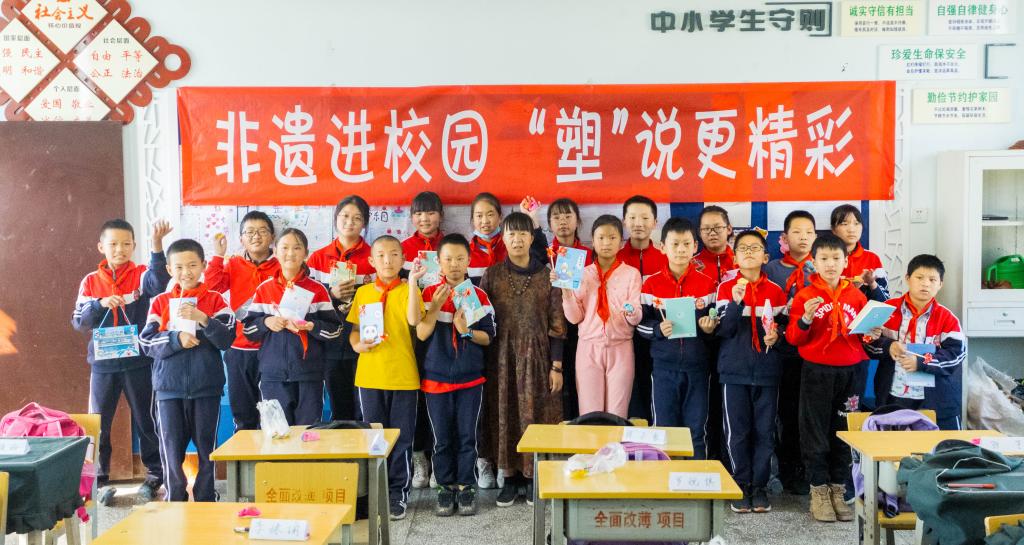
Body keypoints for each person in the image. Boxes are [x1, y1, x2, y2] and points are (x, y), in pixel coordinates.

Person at [71, 218, 171, 504]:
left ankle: (154, 476)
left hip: (139, 362)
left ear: (134, 246)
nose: (120, 249)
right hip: (103, 365)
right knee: (98, 422)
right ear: (101, 246)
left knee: (147, 420)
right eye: (113, 244)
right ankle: (98, 481)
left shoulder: (141, 274)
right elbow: (79, 322)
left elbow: (160, 285)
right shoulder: (90, 281)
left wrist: (157, 246)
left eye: (126, 244)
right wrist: (99, 304)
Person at [481, 212, 566, 507]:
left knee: (536, 414)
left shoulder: (547, 276)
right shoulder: (491, 275)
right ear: (503, 239)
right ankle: (510, 477)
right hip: (501, 359)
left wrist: (557, 366)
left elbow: (558, 325)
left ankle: (533, 477)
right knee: (504, 414)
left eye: (522, 233)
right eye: (511, 234)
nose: (517, 239)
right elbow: (482, 319)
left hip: (538, 358)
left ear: (532, 238)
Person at [787, 233, 873, 523]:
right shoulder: (805, 296)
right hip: (817, 372)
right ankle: (819, 491)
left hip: (851, 372)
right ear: (814, 262)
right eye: (824, 258)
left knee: (843, 431)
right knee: (815, 432)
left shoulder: (856, 296)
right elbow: (793, 338)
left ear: (846, 262)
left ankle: (838, 489)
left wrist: (872, 332)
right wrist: (806, 319)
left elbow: (863, 335)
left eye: (836, 258)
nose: (831, 264)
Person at [140, 238, 234, 502]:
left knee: (207, 448)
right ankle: (175, 497)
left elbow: (227, 338)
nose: (186, 272)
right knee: (171, 449)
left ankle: (205, 496)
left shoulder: (216, 300)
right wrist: (175, 338)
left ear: (203, 265)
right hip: (168, 389)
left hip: (206, 387)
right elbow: (146, 342)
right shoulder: (160, 302)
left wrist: (203, 319)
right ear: (169, 269)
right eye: (179, 267)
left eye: (192, 265)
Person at [416, 234, 496, 516]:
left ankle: (466, 486)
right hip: (435, 378)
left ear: (469, 261)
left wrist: (466, 331)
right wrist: (435, 308)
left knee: (467, 435)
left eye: (460, 258)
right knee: (441, 438)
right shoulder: (428, 293)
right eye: (448, 259)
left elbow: (489, 337)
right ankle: (444, 486)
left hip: (470, 378)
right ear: (438, 262)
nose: (454, 264)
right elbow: (421, 334)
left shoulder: (478, 296)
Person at [347, 235, 424, 520]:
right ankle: (373, 492)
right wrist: (357, 346)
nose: (387, 260)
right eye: (380, 255)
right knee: (373, 438)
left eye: (394, 254)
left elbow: (415, 320)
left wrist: (413, 283)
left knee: (402, 438)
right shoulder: (364, 292)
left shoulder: (409, 290)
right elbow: (354, 331)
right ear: (371, 260)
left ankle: (397, 493)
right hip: (369, 376)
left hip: (403, 376)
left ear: (403, 259)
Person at [714, 230, 788, 514]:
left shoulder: (777, 291)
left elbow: (785, 331)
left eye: (754, 248)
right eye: (742, 248)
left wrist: (777, 336)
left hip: (768, 372)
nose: (748, 252)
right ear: (734, 257)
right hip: (734, 372)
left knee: (765, 432)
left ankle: (759, 487)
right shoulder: (726, 288)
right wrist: (736, 302)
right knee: (737, 433)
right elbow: (724, 330)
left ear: (765, 257)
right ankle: (740, 484)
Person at [637, 217, 717, 458]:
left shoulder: (708, 285)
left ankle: (698, 479)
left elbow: (717, 326)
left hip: (698, 369)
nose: (681, 250)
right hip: (663, 370)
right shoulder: (650, 285)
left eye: (686, 244)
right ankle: (664, 480)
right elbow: (639, 325)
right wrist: (658, 330)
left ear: (695, 247)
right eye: (675, 244)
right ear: (663, 247)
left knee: (697, 431)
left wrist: (709, 329)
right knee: (663, 431)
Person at [245, 228, 342, 426]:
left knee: (307, 431)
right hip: (273, 376)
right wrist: (266, 322)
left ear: (306, 253)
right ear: (275, 251)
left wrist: (312, 326)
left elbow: (335, 330)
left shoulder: (317, 289)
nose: (290, 253)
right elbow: (248, 331)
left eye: (297, 248)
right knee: (277, 433)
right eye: (285, 247)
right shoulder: (264, 289)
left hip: (309, 374)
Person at [868, 255, 965, 430]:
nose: (925, 284)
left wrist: (922, 362)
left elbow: (955, 356)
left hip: (936, 400)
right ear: (908, 278)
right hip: (893, 396)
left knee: (939, 445)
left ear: (940, 284)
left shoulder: (947, 318)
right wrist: (888, 346)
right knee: (893, 445)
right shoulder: (886, 309)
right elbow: (867, 343)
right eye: (919, 277)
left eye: (932, 279)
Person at [205, 210, 280, 431]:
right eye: (250, 232)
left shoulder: (282, 266)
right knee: (244, 415)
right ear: (241, 239)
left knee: (274, 416)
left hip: (273, 347)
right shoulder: (233, 264)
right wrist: (218, 256)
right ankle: (245, 452)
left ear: (272, 236)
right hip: (239, 348)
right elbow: (212, 288)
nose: (256, 236)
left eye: (262, 231)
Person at [560, 215, 642, 418]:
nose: (606, 243)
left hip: (621, 347)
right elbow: (574, 318)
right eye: (601, 238)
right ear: (593, 242)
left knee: (618, 413)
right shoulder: (580, 273)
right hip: (588, 347)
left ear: (621, 242)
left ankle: (617, 441)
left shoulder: (631, 274)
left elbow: (636, 318)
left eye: (612, 237)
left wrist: (631, 311)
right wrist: (566, 292)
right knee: (590, 412)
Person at [762, 210, 817, 495]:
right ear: (784, 237)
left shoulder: (822, 267)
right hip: (782, 352)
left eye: (808, 232)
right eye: (797, 232)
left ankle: (807, 472)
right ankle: (785, 469)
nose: (803, 237)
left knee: (808, 415)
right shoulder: (772, 269)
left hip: (814, 352)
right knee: (784, 413)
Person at [307, 196, 376, 422]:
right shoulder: (318, 258)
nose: (350, 222)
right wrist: (331, 294)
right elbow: (306, 303)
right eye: (345, 216)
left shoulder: (375, 257)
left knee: (364, 406)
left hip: (364, 339)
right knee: (338, 406)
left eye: (357, 218)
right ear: (336, 218)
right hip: (329, 343)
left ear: (364, 223)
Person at [617, 195, 666, 422]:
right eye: (633, 217)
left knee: (653, 390)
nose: (639, 223)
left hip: (657, 335)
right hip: (622, 338)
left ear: (655, 222)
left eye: (645, 218)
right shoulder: (614, 257)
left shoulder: (665, 258)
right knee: (627, 394)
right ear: (624, 221)